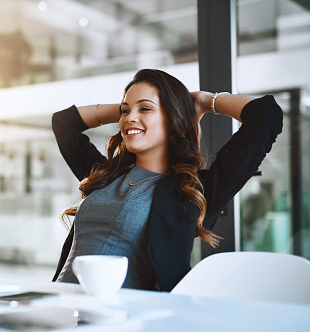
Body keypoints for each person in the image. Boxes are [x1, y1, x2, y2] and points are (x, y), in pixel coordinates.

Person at [51, 68, 283, 292]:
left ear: (174, 117)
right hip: (60, 308)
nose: (130, 117)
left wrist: (204, 101)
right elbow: (64, 124)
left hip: (125, 318)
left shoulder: (190, 193)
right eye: (125, 111)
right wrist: (131, 111)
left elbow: (266, 115)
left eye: (146, 109)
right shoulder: (105, 174)